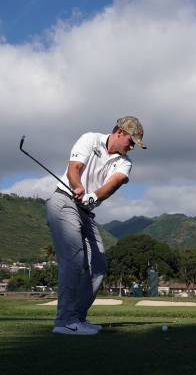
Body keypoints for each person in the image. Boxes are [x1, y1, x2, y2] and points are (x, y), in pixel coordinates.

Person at [46, 116, 146, 335]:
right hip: (63, 202)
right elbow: (74, 167)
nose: (131, 147)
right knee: (75, 260)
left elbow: (114, 183)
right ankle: (64, 322)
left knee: (98, 265)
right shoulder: (90, 139)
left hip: (86, 211)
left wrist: (92, 197)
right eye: (131, 141)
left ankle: (78, 318)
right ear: (119, 132)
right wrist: (78, 186)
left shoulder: (125, 162)